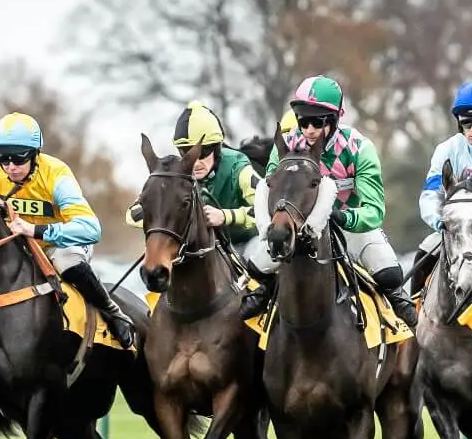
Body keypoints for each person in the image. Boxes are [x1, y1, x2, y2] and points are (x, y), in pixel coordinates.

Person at [243, 75, 418, 327]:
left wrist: (342, 217)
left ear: (336, 118)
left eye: (317, 121)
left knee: (389, 274)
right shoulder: (287, 143)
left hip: (349, 227)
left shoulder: (359, 148)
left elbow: (374, 211)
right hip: (298, 227)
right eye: (303, 121)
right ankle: (266, 291)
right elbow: (270, 188)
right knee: (256, 267)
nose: (309, 129)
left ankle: (397, 302)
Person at [0, 111, 133, 345]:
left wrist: (36, 230)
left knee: (66, 260)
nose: (10, 167)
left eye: (19, 159)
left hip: (60, 247)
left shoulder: (56, 175)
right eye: (3, 158)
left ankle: (113, 313)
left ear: (35, 155)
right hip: (20, 249)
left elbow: (91, 229)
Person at [408, 79, 472, 296]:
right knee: (425, 251)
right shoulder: (447, 149)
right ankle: (414, 310)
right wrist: (439, 221)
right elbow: (430, 193)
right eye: (467, 124)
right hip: (456, 230)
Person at [171, 101, 259, 248]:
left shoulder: (237, 167)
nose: (196, 163)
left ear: (217, 149)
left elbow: (269, 209)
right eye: (188, 153)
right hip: (200, 249)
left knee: (265, 260)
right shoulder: (174, 176)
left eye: (204, 151)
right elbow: (133, 214)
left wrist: (226, 216)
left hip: (245, 244)